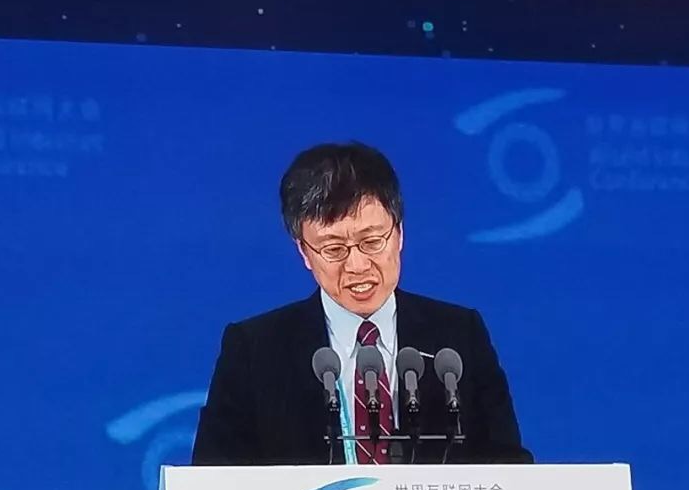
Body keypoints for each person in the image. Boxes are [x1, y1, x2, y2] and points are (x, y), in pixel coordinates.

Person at [192, 142, 532, 466]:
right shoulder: (255, 351)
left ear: (399, 234)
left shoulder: (459, 337)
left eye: (371, 242)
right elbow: (213, 480)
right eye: (334, 249)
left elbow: (510, 470)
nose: (357, 265)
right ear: (304, 252)